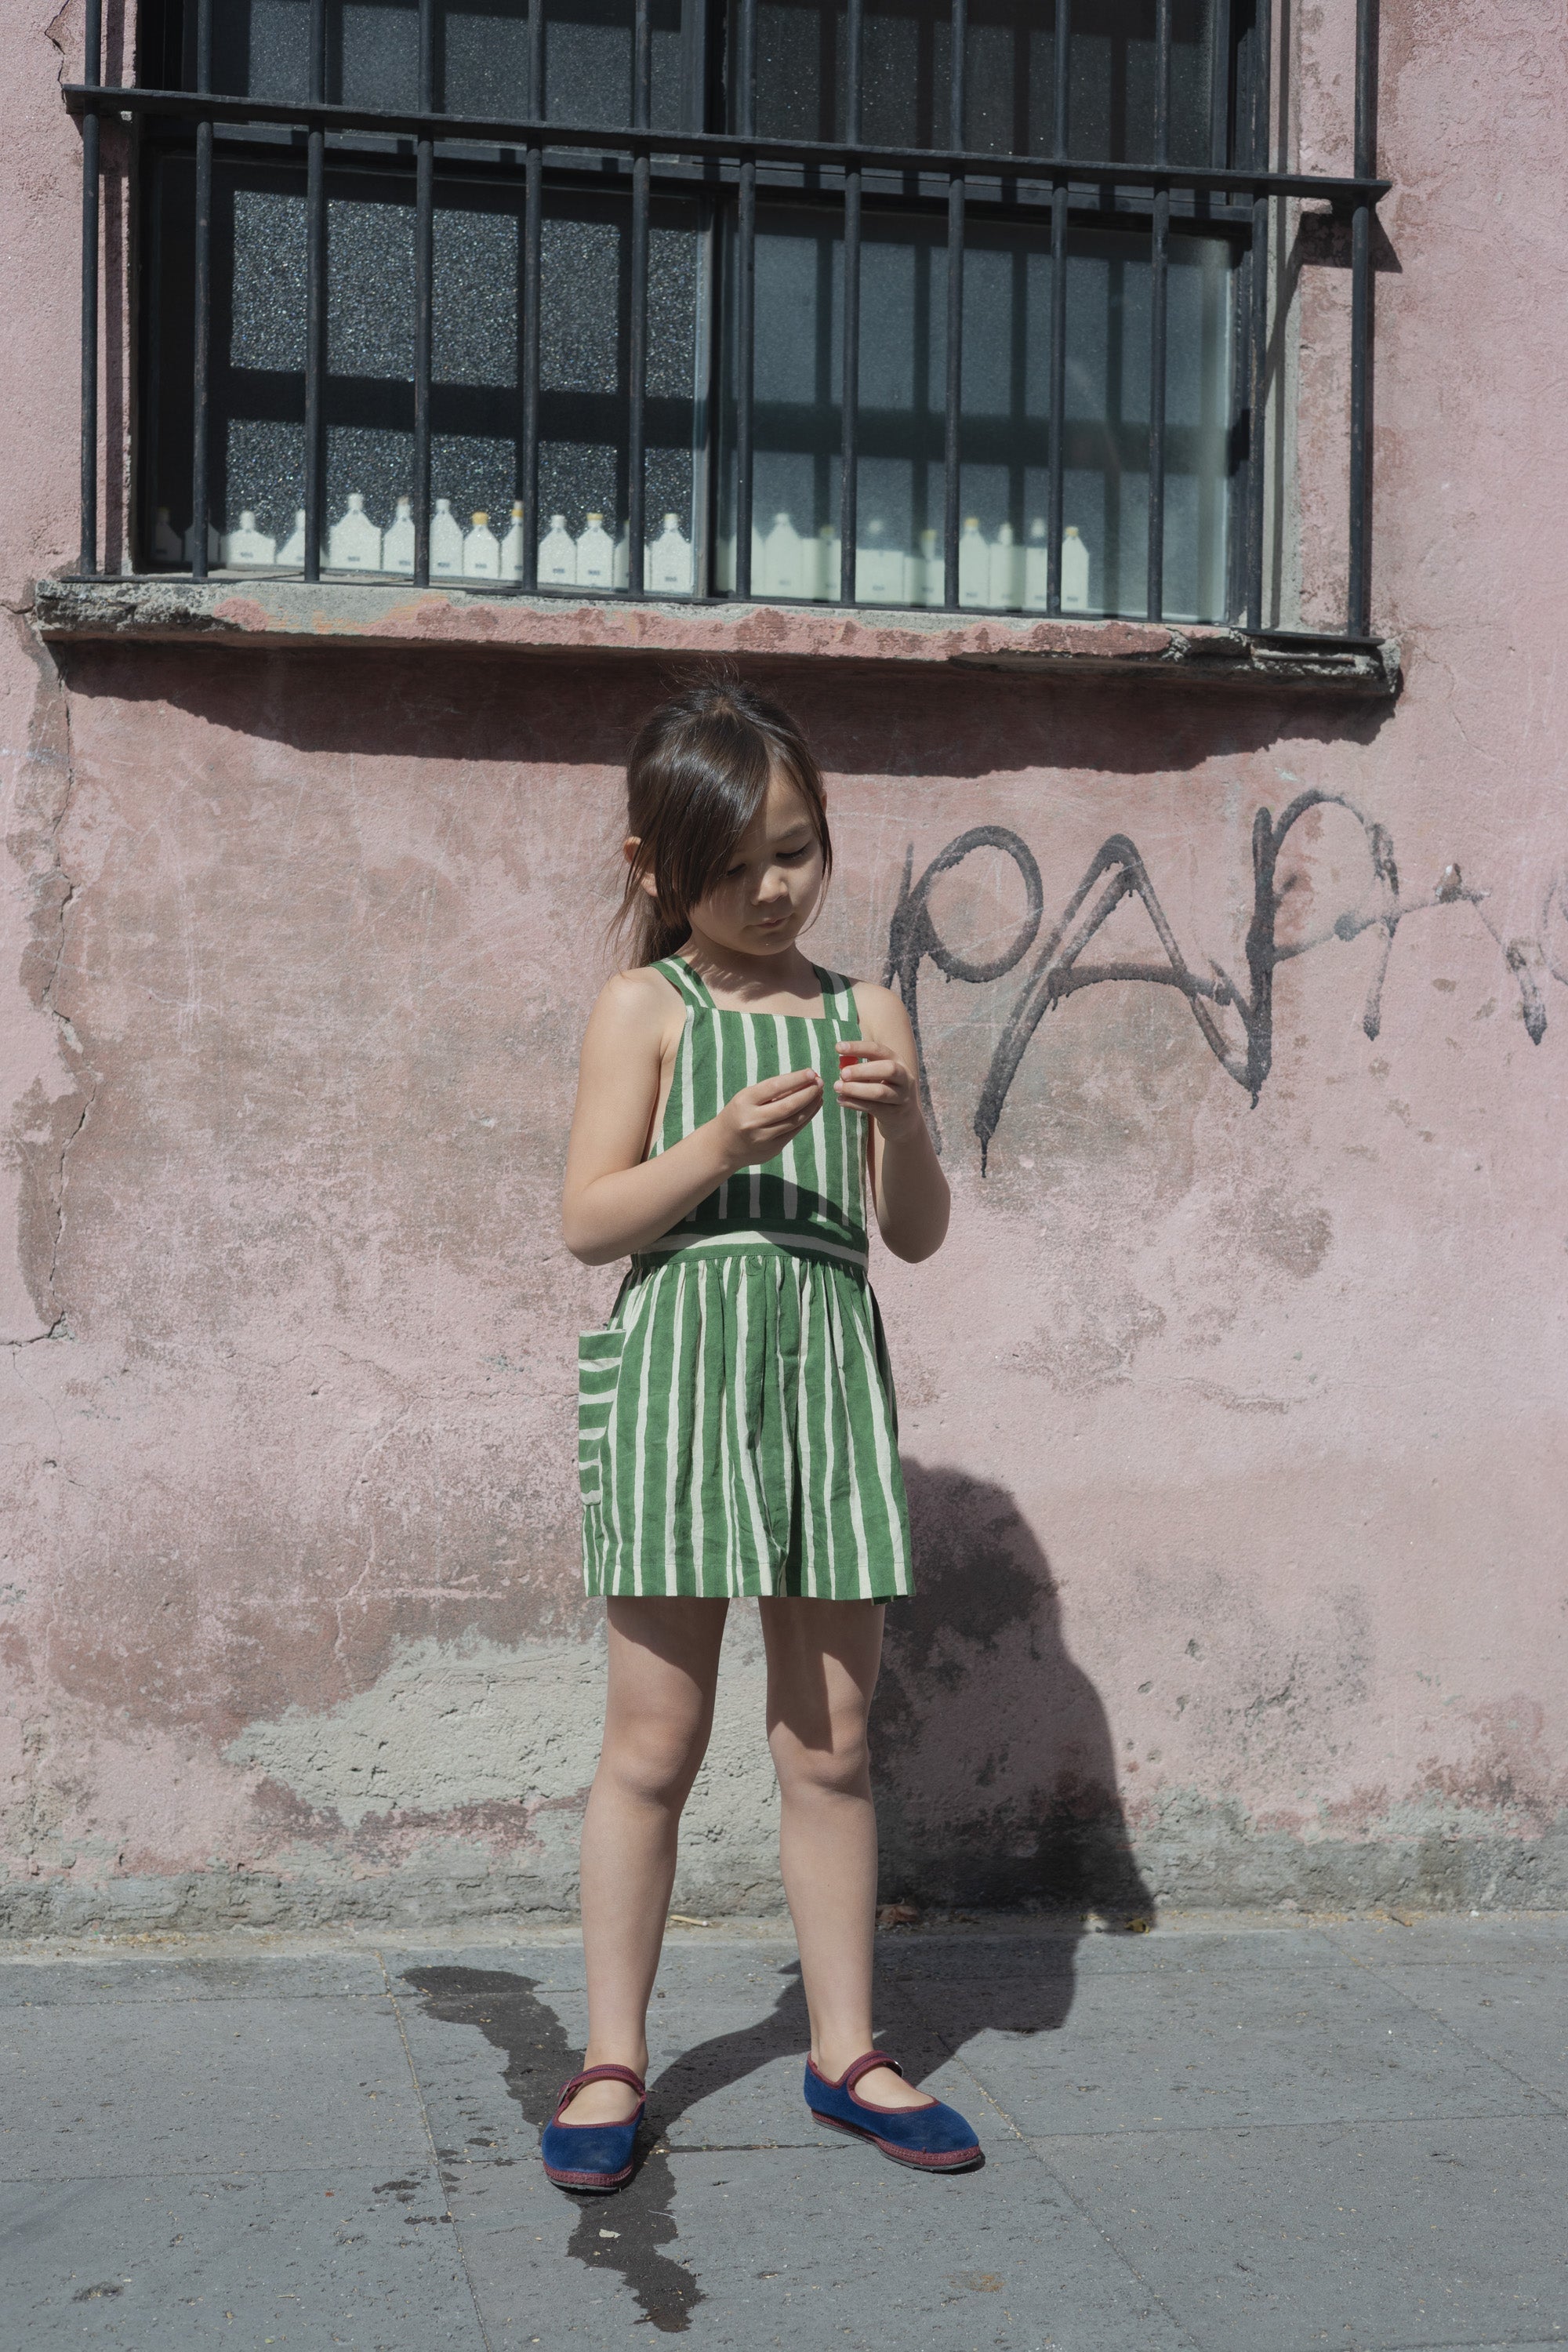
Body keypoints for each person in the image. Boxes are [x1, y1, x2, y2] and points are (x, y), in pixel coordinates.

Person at [546, 676, 980, 2192]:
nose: (773, 886)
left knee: (835, 1740)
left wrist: (907, 1124)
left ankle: (845, 2047)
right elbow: (590, 1221)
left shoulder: (865, 1005)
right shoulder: (643, 1008)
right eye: (734, 866)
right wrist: (715, 1146)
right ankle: (612, 2056)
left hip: (824, 1376)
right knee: (653, 1741)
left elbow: (909, 1237)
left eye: (796, 848)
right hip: (676, 1374)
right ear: (652, 868)